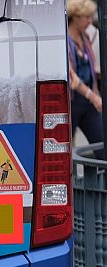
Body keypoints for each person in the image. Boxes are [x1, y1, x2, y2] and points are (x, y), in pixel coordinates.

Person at [67, 0, 105, 159]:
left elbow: (91, 67)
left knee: (102, 142)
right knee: (66, 146)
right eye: (86, 17)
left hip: (88, 101)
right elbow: (72, 78)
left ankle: (102, 180)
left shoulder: (86, 37)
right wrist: (93, 96)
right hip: (73, 101)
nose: (90, 21)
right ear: (75, 17)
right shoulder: (65, 40)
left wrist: (95, 91)